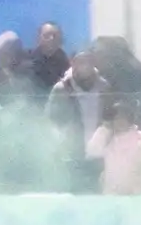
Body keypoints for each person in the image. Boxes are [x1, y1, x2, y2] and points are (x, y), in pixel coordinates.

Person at [47, 50, 112, 191]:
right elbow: (52, 119)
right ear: (73, 63)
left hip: (98, 153)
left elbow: (110, 116)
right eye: (80, 62)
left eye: (88, 62)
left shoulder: (104, 87)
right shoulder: (61, 89)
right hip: (72, 152)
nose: (84, 66)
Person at [86, 99, 141, 195]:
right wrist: (104, 129)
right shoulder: (107, 138)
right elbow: (92, 151)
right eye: (116, 118)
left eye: (123, 117)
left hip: (135, 194)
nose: (119, 121)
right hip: (112, 194)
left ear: (129, 119)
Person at [31, 22, 69, 91]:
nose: (51, 38)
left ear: (60, 40)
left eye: (55, 36)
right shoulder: (28, 61)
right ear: (38, 39)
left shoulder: (66, 64)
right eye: (47, 35)